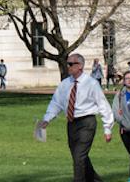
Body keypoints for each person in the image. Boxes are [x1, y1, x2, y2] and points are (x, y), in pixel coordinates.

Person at [36, 53, 114, 182]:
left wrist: (107, 129)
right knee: (79, 157)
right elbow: (56, 103)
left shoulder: (91, 83)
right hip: (72, 123)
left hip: (87, 122)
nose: (69, 66)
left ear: (80, 66)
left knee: (79, 156)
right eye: (68, 63)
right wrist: (47, 119)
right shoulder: (65, 84)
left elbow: (103, 105)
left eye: (72, 64)